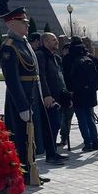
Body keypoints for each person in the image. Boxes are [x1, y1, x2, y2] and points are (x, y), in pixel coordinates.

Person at [0, 7, 43, 183]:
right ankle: (22, 172)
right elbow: (12, 80)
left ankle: (32, 169)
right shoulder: (9, 47)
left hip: (31, 95)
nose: (27, 25)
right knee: (20, 135)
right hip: (20, 99)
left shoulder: (23, 43)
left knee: (31, 136)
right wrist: (22, 106)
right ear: (11, 23)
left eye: (26, 21)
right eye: (22, 22)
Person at [35, 32, 69, 165]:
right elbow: (42, 76)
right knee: (51, 126)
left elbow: (59, 77)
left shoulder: (54, 57)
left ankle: (53, 152)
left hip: (58, 97)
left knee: (55, 126)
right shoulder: (41, 55)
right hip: (49, 98)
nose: (56, 41)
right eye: (53, 40)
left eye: (56, 39)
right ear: (45, 42)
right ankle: (50, 154)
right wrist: (46, 94)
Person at [69, 38, 98, 151]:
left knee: (82, 119)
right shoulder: (92, 58)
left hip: (77, 92)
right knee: (90, 117)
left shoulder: (71, 59)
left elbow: (68, 77)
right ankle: (96, 143)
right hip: (91, 92)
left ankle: (88, 143)